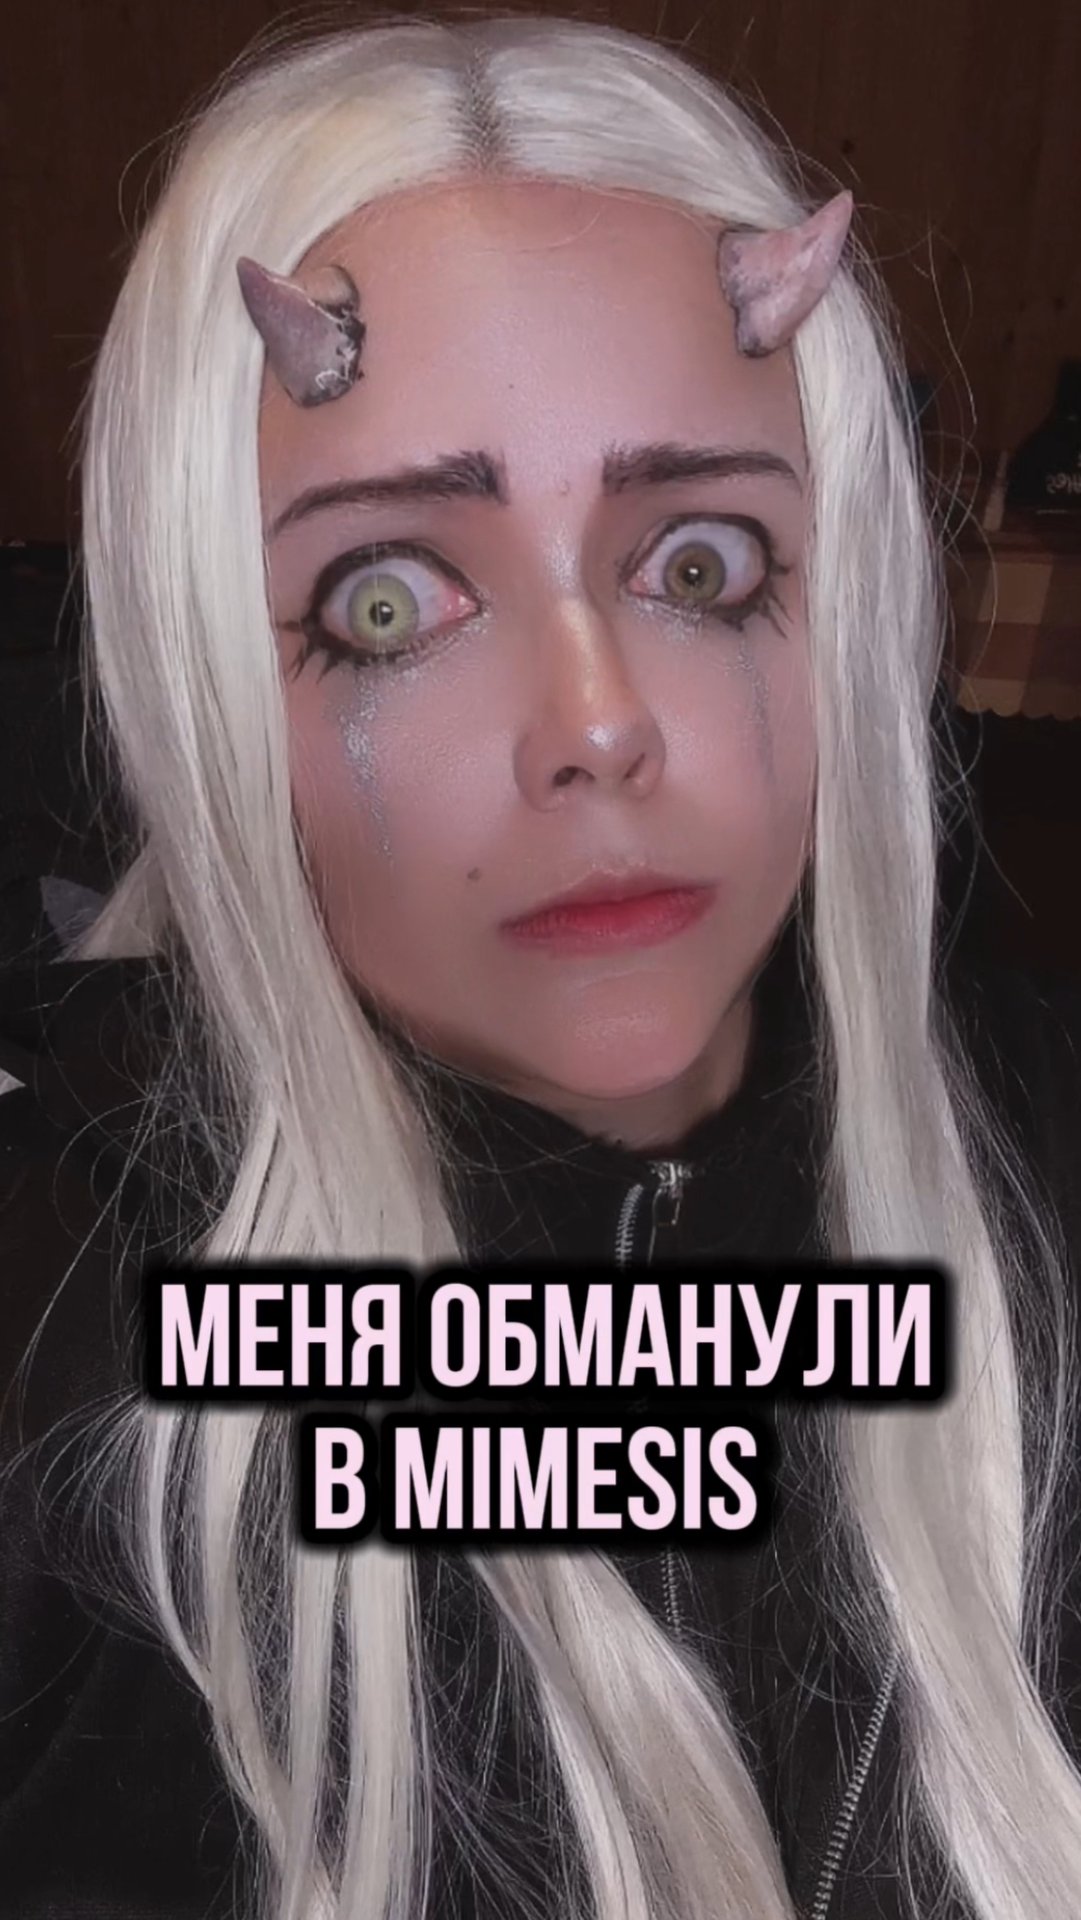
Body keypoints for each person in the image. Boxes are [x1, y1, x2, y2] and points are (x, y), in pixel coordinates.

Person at [1, 12, 1080, 1920]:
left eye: (699, 567)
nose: (593, 726)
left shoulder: (1043, 1169)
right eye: (386, 602)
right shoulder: (69, 1344)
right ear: (209, 679)